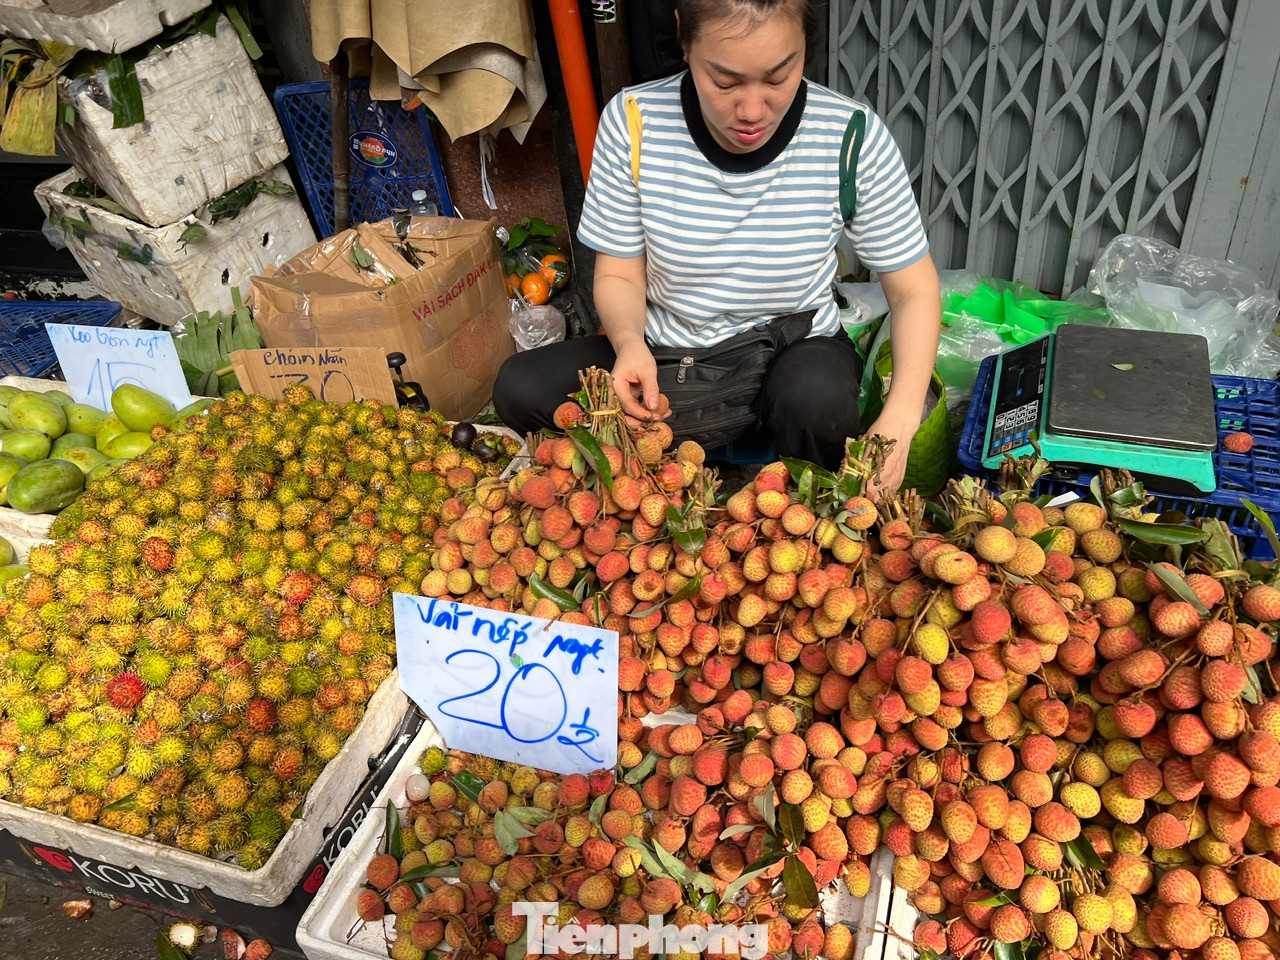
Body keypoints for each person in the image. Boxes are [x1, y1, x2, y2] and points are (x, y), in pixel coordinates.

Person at [493, 0, 941, 497]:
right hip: (667, 363)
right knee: (522, 388)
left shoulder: (849, 136)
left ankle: (787, 483)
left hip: (787, 357)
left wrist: (902, 413)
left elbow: (914, 291)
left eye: (778, 76)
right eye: (724, 82)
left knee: (818, 400)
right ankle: (652, 481)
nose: (751, 111)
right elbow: (620, 273)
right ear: (684, 36)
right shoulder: (634, 120)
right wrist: (628, 344)